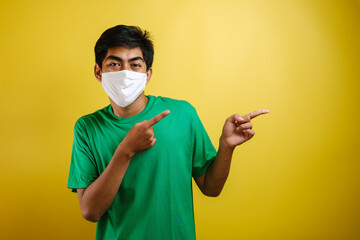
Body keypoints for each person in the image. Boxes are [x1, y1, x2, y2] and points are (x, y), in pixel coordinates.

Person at [67, 24, 269, 240]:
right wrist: (126, 150)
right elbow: (90, 211)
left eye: (135, 64)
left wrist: (226, 146)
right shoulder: (87, 128)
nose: (125, 73)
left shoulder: (182, 114)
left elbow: (211, 187)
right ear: (99, 72)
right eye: (115, 63)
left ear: (147, 74)